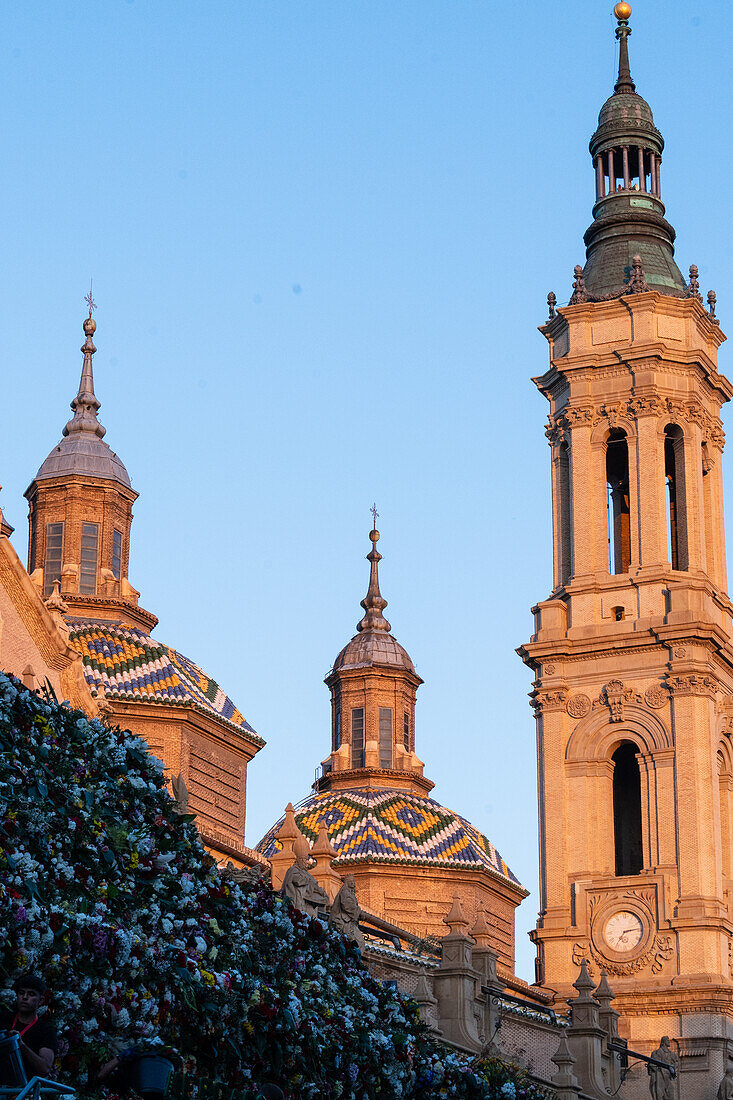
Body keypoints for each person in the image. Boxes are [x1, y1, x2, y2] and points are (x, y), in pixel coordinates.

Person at [0, 974, 57, 1079]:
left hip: (24, 1091)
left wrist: (20, 1045)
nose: (25, 997)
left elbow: (45, 1068)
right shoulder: (4, 1019)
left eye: (31, 994)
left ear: (41, 1000)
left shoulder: (45, 1030)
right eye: (21, 993)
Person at [648, 1036, 677, 1100]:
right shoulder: (656, 1053)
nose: (669, 1041)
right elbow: (652, 1065)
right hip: (660, 1077)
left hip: (668, 1077)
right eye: (667, 1040)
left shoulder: (672, 1054)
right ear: (663, 1042)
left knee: (670, 1095)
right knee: (659, 1094)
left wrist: (672, 1069)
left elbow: (676, 1064)